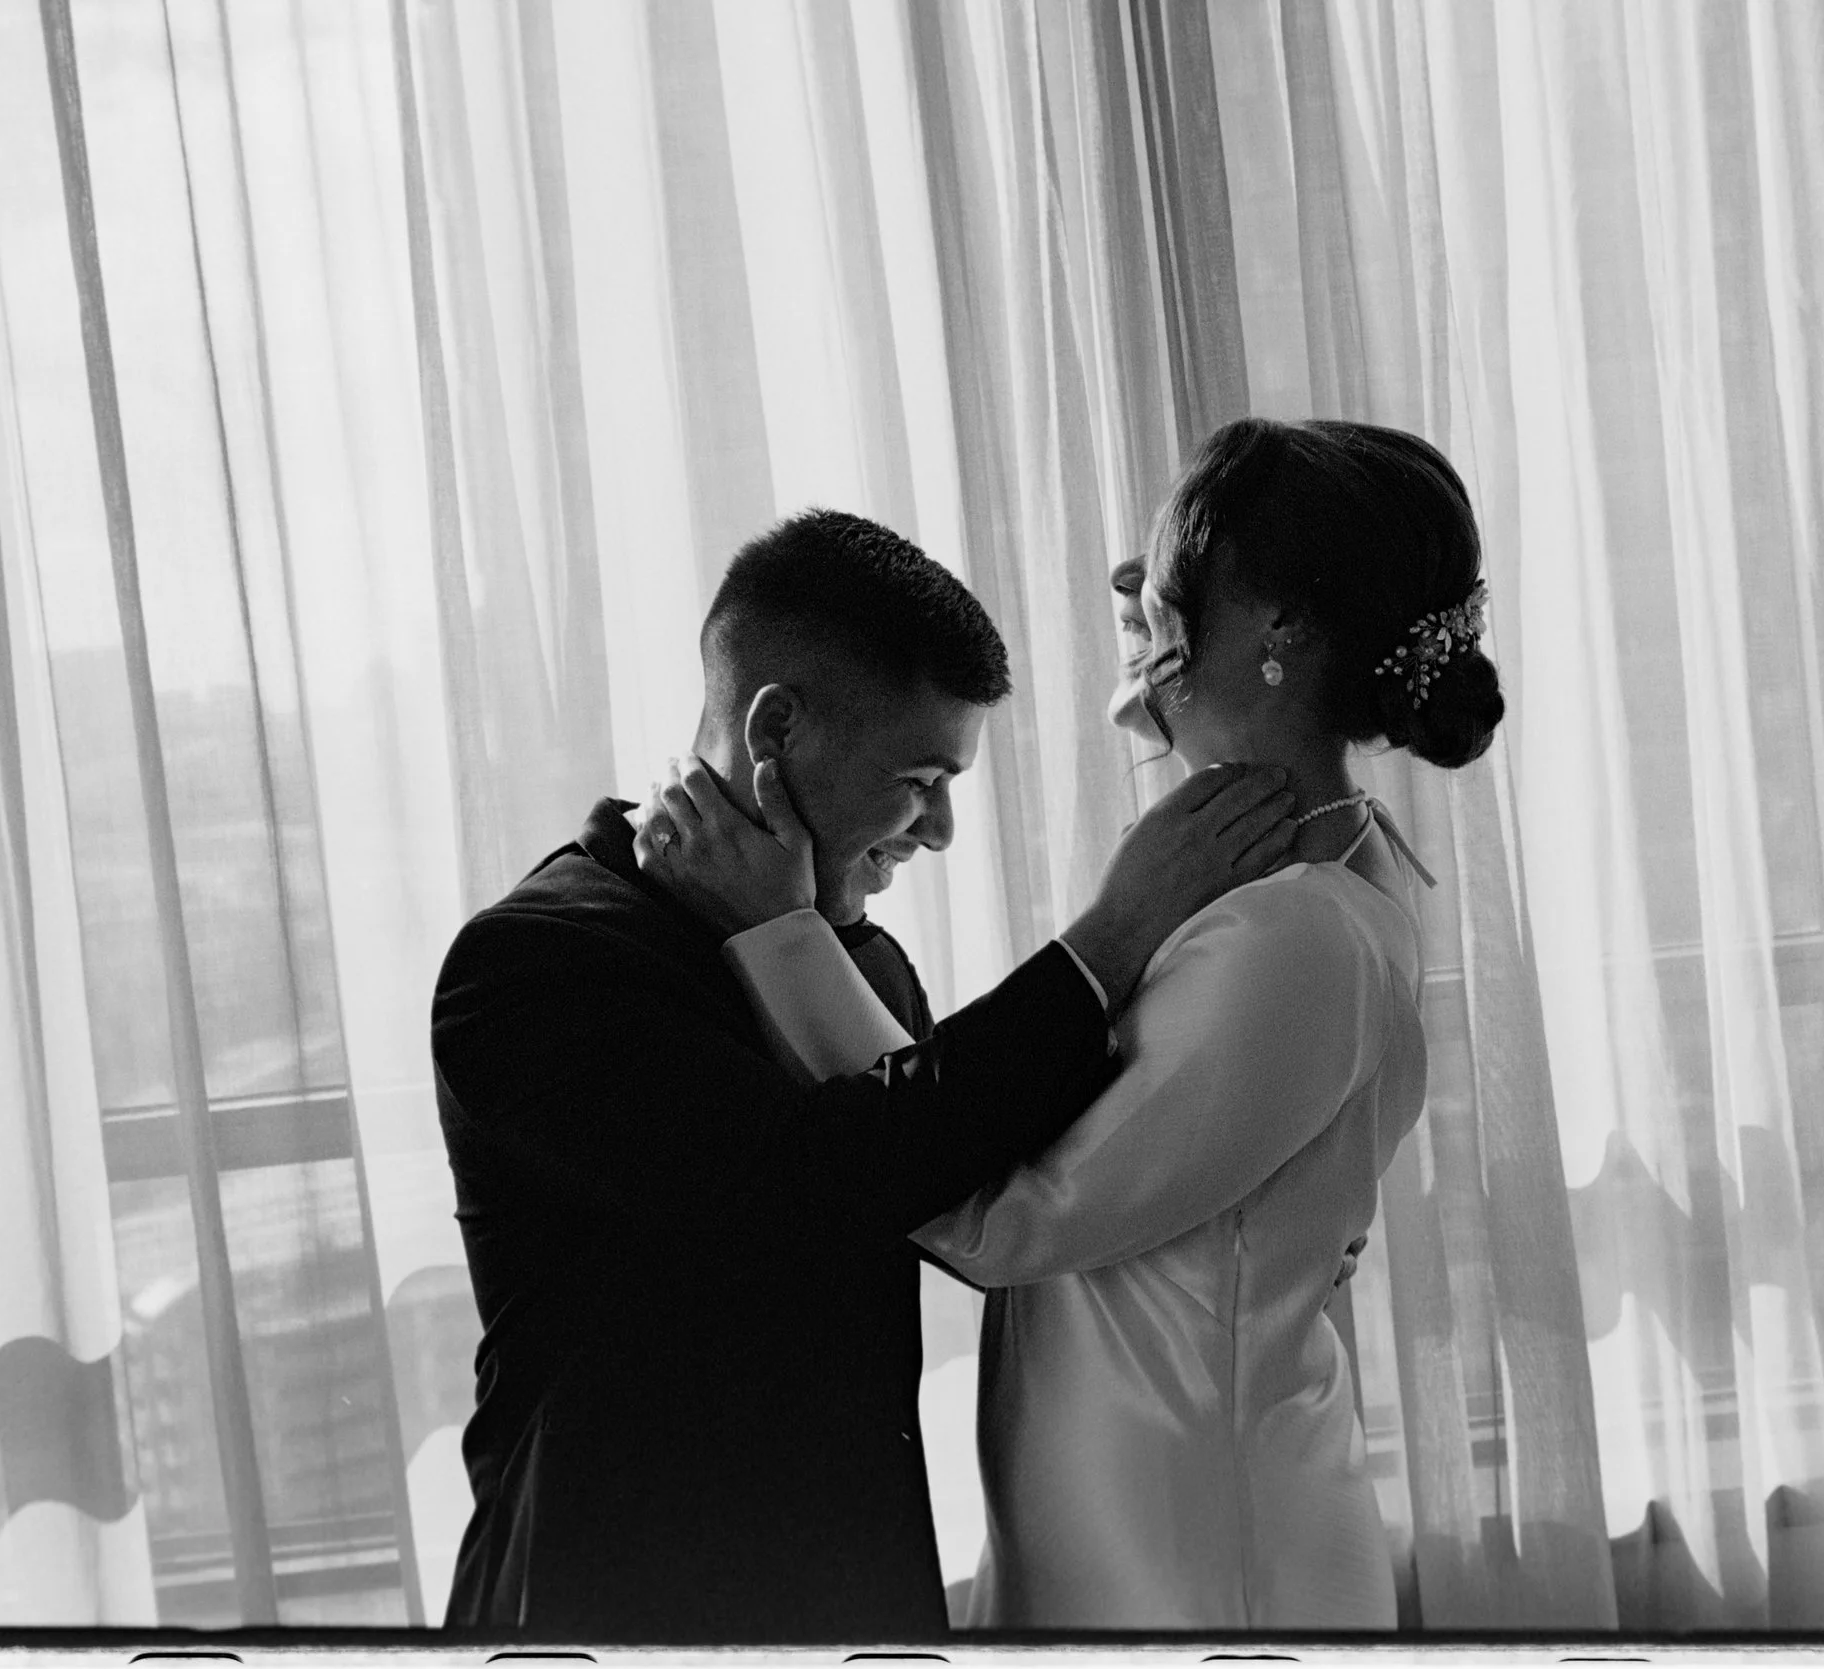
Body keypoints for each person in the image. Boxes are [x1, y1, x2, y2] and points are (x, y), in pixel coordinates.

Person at [641, 419, 1504, 1630]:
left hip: (1195, 1552)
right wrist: (1177, 670)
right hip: (1140, 1502)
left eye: (1167, 585)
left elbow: (1006, 1213)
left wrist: (778, 934)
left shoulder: (1295, 934)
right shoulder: (1301, 877)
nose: (1143, 608)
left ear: (1278, 631)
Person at [430, 509, 1300, 1641]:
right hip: (609, 1604)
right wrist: (1112, 934)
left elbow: (988, 1180)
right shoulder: (536, 964)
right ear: (776, 727)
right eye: (919, 776)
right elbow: (822, 1184)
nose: (936, 829)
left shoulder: (862, 958)